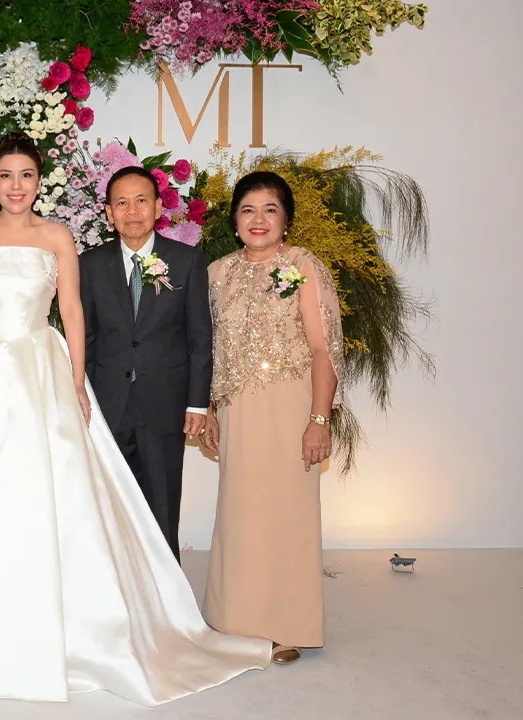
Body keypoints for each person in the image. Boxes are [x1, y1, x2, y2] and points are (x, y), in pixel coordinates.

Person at [0, 134, 269, 703]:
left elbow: (73, 311)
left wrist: (78, 381)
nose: (16, 186)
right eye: (6, 176)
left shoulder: (58, 236)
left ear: (40, 182)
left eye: (26, 176)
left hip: (41, 363)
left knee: (49, 487)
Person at [200, 170, 343, 666]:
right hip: (237, 409)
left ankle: (287, 627)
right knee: (240, 516)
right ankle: (234, 621)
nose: (258, 219)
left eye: (270, 209)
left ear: (286, 220)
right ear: (234, 219)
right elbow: (208, 350)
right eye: (247, 209)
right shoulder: (216, 273)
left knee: (286, 515)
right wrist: (209, 409)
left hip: (290, 407)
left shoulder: (303, 265)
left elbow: (325, 350)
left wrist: (319, 419)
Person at [78, 165, 213, 561]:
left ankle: (166, 592)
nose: (132, 211)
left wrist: (197, 404)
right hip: (107, 406)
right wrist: (81, 396)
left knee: (162, 508)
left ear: (157, 208)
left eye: (141, 201)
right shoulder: (89, 264)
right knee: (108, 511)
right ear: (108, 213)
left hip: (164, 405)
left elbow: (199, 337)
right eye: (121, 203)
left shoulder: (186, 261)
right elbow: (85, 338)